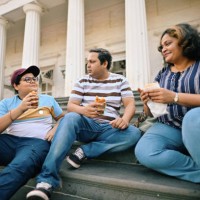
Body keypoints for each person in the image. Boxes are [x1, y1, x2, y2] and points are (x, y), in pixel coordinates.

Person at [26, 48, 141, 200]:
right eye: (87, 61)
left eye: (92, 62)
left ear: (105, 63)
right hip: (86, 125)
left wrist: (124, 120)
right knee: (70, 117)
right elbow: (72, 106)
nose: (88, 65)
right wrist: (84, 110)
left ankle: (85, 151)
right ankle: (46, 181)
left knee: (134, 133)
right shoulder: (82, 81)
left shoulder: (120, 80)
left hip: (110, 127)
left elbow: (130, 104)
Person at [135, 23, 200, 183]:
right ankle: (196, 172)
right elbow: (151, 113)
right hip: (170, 126)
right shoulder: (163, 73)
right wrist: (147, 102)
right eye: (161, 46)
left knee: (192, 118)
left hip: (196, 125)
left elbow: (173, 98)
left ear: (185, 42)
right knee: (145, 151)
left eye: (168, 43)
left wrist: (175, 97)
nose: (163, 49)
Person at [0, 65, 64, 200]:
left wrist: (55, 128)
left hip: (35, 143)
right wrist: (21, 108)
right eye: (27, 79)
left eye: (34, 78)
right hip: (10, 142)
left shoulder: (48, 100)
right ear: (16, 86)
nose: (33, 81)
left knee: (21, 165)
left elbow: (63, 118)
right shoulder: (6, 103)